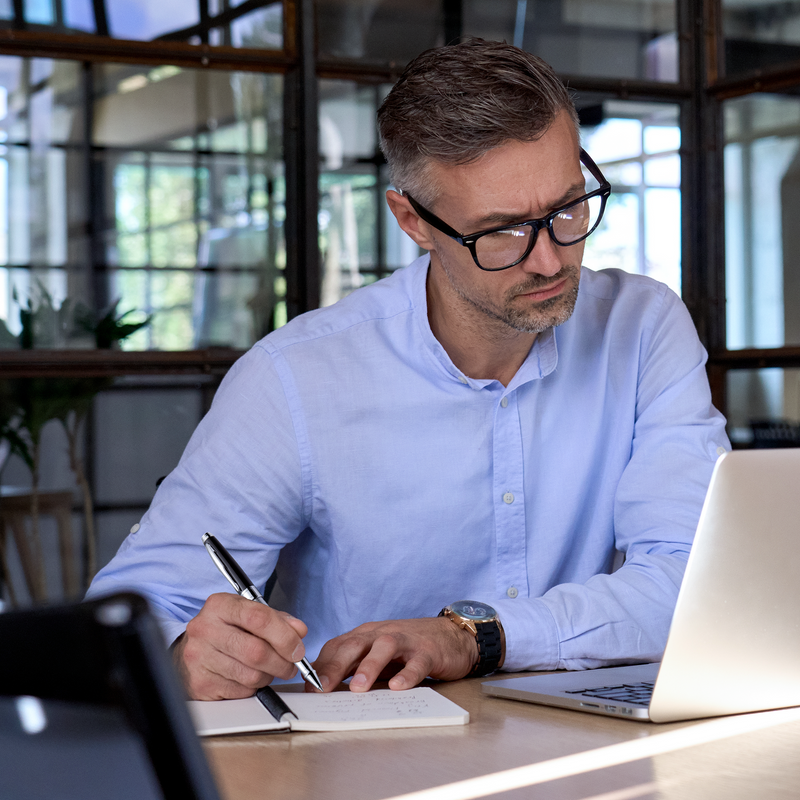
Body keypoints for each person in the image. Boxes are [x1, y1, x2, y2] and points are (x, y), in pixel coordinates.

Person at [87, 38, 729, 701]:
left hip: (591, 749)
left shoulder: (644, 326)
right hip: (367, 761)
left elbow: (696, 579)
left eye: (567, 207)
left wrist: (475, 635)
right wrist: (182, 653)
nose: (549, 260)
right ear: (412, 221)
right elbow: (129, 615)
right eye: (503, 231)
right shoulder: (297, 379)